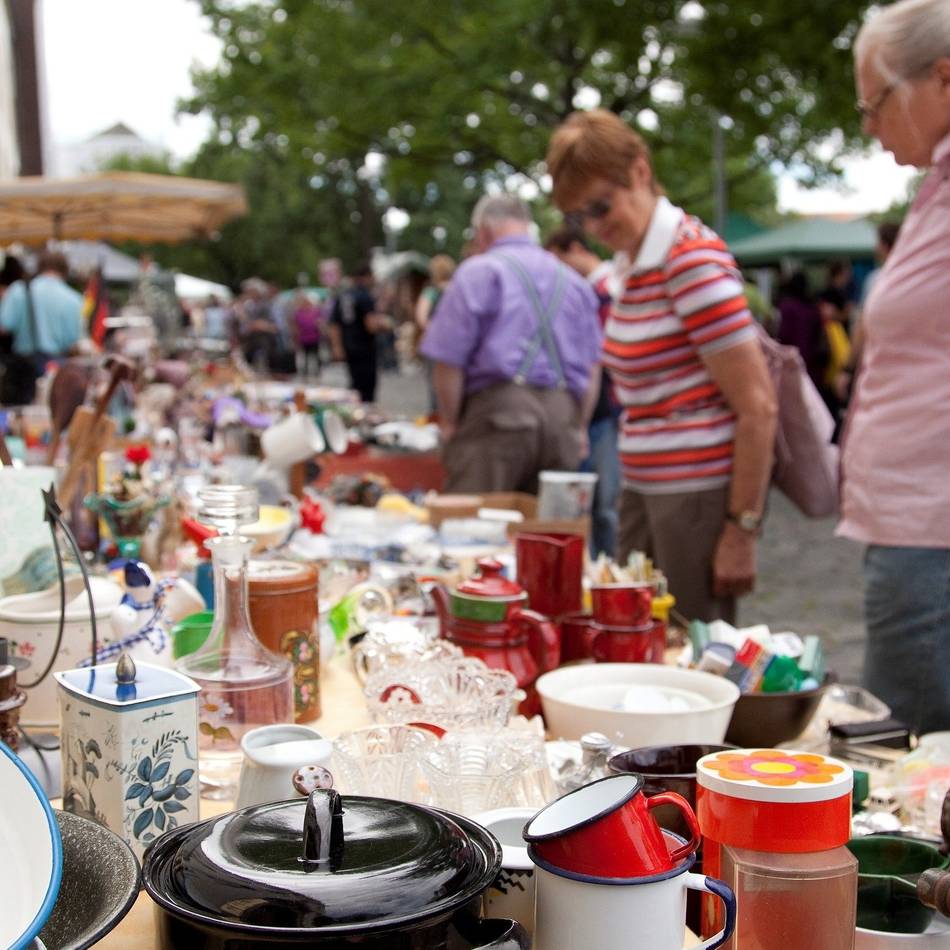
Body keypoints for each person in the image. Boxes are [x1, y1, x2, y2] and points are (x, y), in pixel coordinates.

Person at [546, 109, 777, 623]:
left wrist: (741, 530)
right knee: (638, 643)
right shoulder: (630, 266)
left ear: (641, 173)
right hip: (646, 489)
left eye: (601, 207)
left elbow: (758, 407)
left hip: (693, 494)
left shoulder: (688, 261)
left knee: (687, 658)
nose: (595, 226)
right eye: (581, 217)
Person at [839, 0, 950, 735]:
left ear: (943, 78)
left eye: (874, 104)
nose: (870, 127)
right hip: (913, 520)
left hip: (930, 523)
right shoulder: (933, 188)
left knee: (911, 748)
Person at [420, 194, 603, 494]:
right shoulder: (575, 282)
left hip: (497, 420)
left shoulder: (477, 272)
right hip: (562, 420)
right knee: (547, 534)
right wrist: (580, 427)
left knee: (472, 529)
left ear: (484, 232)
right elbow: (593, 369)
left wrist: (451, 422)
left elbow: (449, 362)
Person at [544, 228, 620, 558]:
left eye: (559, 259)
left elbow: (600, 357)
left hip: (602, 410)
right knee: (584, 501)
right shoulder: (593, 289)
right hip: (591, 409)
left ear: (575, 249)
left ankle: (604, 567)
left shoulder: (607, 288)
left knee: (602, 501)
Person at [0, 250, 84, 402]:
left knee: (19, 419)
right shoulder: (75, 299)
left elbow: (4, 326)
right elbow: (73, 341)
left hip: (22, 371)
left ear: (39, 267)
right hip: (57, 370)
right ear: (65, 270)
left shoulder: (19, 290)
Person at [329, 263, 383, 403]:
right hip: (364, 347)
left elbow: (334, 324)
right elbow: (371, 325)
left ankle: (355, 411)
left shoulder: (343, 295)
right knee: (366, 387)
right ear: (367, 277)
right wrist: (384, 325)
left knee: (354, 383)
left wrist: (337, 347)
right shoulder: (365, 296)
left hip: (348, 345)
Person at [777, 270, 825, 390]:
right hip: (812, 366)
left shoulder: (786, 307)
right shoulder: (812, 309)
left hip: (790, 364)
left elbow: (783, 334)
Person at [292, 291, 323, 378]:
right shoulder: (298, 313)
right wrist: (295, 336)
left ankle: (317, 371)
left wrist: (319, 326)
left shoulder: (316, 312)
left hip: (314, 337)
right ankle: (305, 372)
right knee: (305, 356)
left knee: (315, 355)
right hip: (303, 337)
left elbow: (320, 323)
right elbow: (295, 325)